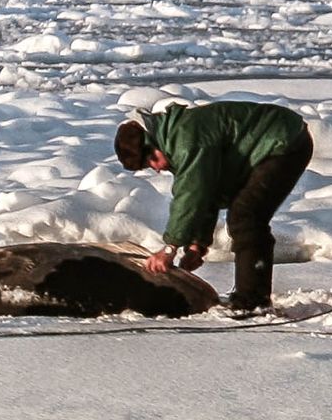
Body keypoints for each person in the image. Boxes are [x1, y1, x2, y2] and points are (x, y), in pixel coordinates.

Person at [113, 100, 313, 312]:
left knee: (246, 216)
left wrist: (170, 248)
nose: (157, 169)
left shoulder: (186, 141)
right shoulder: (176, 141)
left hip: (284, 141)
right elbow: (207, 193)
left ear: (152, 144)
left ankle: (253, 300)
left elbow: (191, 194)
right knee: (244, 215)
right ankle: (251, 295)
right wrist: (197, 246)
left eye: (151, 161)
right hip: (275, 142)